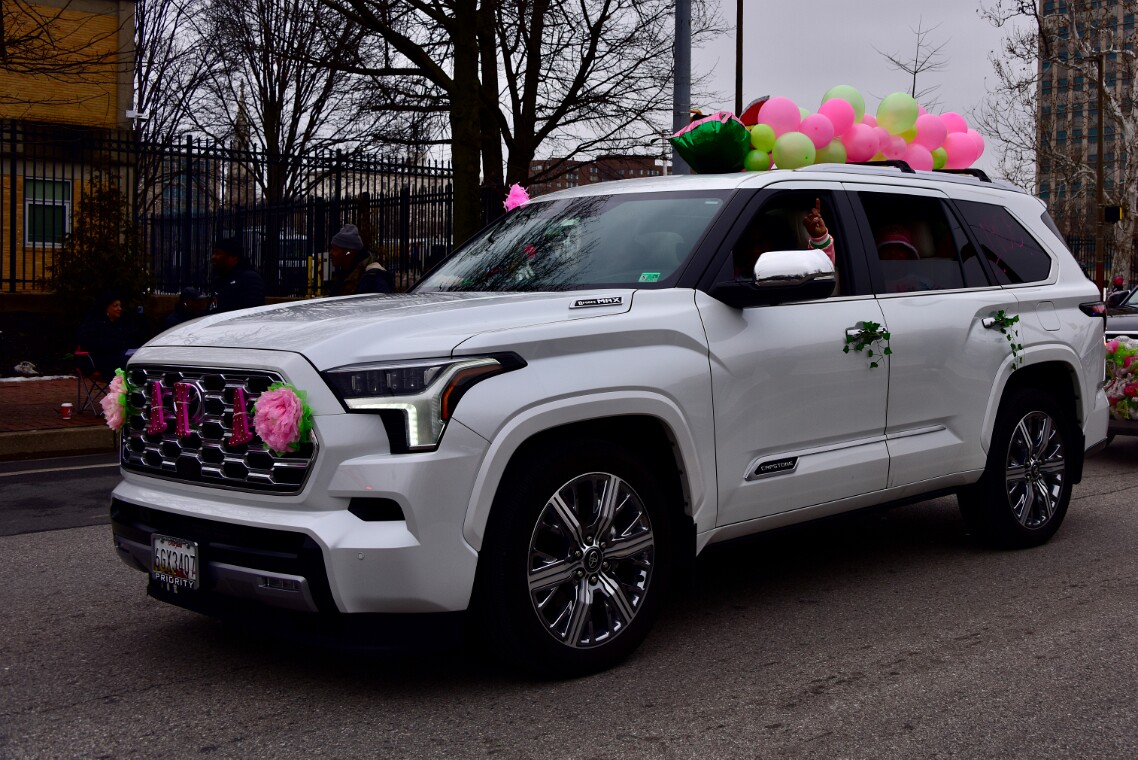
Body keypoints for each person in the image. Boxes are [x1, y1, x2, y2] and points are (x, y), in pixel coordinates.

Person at [733, 198, 836, 278]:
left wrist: (819, 239)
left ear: (775, 243)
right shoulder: (730, 275)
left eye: (761, 243)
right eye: (750, 244)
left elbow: (822, 271)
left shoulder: (794, 276)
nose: (755, 249)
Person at [77, 290, 141, 378]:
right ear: (106, 308)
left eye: (120, 306)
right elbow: (92, 344)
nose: (119, 309)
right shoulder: (93, 324)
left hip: (118, 356)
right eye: (115, 306)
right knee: (130, 365)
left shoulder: (120, 323)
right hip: (99, 360)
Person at [327, 223, 395, 296]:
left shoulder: (373, 277)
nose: (331, 253)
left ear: (348, 252)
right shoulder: (347, 273)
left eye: (335, 249)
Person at [210, 236, 265, 313]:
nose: (213, 257)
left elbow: (252, 310)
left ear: (233, 257)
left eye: (218, 253)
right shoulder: (222, 279)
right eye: (213, 253)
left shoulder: (249, 278)